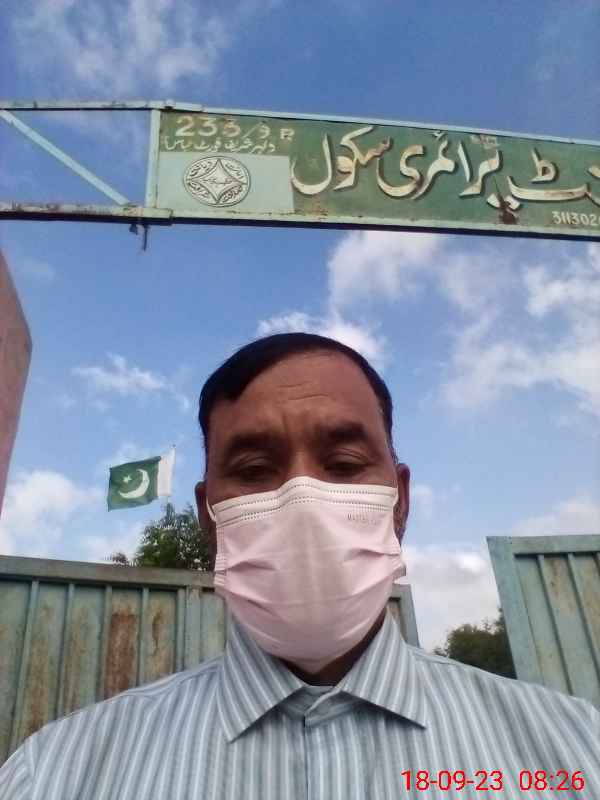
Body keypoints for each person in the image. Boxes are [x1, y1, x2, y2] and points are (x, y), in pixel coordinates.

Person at [0, 332, 598, 799]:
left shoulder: (574, 754)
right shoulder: (57, 774)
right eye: (255, 470)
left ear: (401, 501)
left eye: (344, 463)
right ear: (209, 517)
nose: (302, 500)